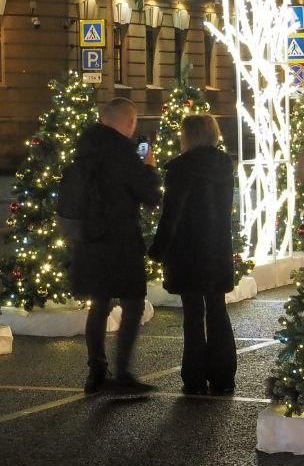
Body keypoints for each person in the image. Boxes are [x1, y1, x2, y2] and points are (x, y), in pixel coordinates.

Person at [68, 97, 162, 395]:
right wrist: (149, 167)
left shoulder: (85, 147)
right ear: (130, 122)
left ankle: (97, 372)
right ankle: (122, 374)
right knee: (133, 303)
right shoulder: (122, 151)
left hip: (89, 240)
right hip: (120, 241)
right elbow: (150, 195)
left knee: (99, 304)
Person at [148, 114, 237, 396]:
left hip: (188, 250)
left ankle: (195, 376)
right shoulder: (224, 164)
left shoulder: (180, 168)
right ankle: (223, 376)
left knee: (193, 315)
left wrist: (157, 250)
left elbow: (171, 215)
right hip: (217, 247)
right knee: (218, 310)